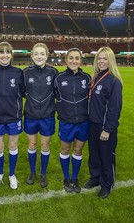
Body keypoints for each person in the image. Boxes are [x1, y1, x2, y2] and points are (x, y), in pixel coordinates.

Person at [86, 46, 123, 199]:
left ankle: (107, 184)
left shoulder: (114, 82)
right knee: (94, 155)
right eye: (99, 58)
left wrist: (107, 129)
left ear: (110, 61)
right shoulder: (95, 77)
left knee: (106, 157)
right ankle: (95, 178)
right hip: (92, 124)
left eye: (105, 58)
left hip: (105, 127)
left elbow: (114, 108)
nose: (101, 61)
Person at [0, 42, 25, 190]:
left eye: (7, 52)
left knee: (12, 145)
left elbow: (24, 92)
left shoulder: (18, 73)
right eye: (1, 53)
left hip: (13, 117)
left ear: (11, 55)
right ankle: (0, 173)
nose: (4, 55)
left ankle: (11, 174)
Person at [54, 48, 91, 193]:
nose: (74, 61)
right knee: (65, 149)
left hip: (83, 121)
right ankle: (66, 177)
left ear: (81, 61)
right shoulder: (59, 78)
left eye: (77, 58)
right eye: (71, 58)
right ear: (66, 60)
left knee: (78, 149)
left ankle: (75, 178)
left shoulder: (87, 78)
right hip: (66, 122)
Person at [23, 43, 58, 188]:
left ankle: (43, 173)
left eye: (42, 54)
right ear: (31, 56)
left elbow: (57, 92)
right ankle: (32, 172)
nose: (39, 56)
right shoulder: (25, 72)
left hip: (47, 116)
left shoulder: (54, 72)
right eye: (36, 54)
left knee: (45, 145)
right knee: (31, 144)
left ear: (47, 56)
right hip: (31, 115)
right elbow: (20, 91)